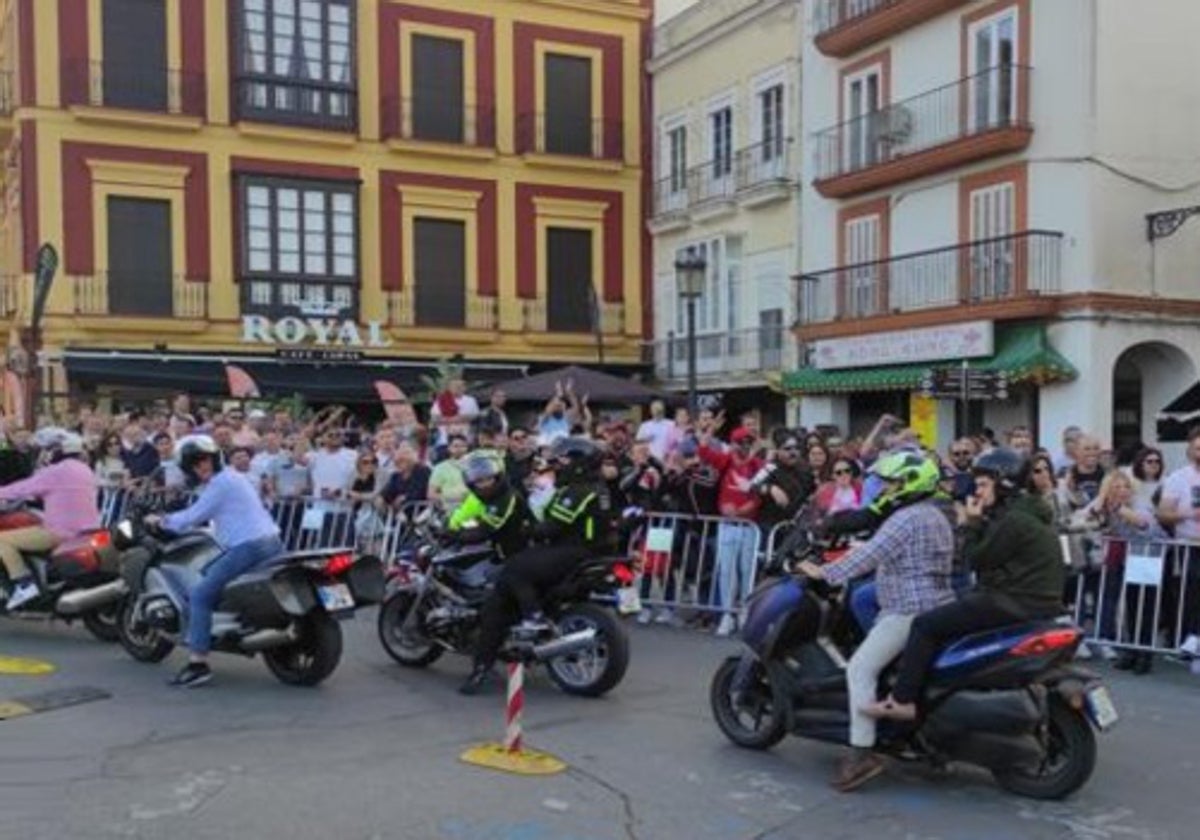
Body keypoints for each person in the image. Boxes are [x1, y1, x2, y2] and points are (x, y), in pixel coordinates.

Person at [868, 448, 1066, 721]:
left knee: (925, 625)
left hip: (1013, 600)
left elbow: (977, 560)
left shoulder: (1014, 521)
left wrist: (971, 524)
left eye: (984, 484)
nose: (977, 491)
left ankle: (903, 699)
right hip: (1029, 599)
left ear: (1004, 484)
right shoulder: (1022, 513)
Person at [797, 452, 954, 792]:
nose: (887, 488)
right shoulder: (935, 514)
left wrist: (824, 573)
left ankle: (861, 753)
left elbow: (868, 558)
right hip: (937, 603)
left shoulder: (906, 518)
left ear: (911, 483)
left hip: (907, 609)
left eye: (894, 482)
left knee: (860, 669)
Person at [460, 437, 612, 695]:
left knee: (511, 574)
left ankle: (530, 621)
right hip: (588, 553)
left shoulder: (578, 492)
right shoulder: (598, 488)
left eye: (562, 460)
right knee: (519, 573)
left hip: (571, 552)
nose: (557, 464)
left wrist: (527, 529)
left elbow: (551, 527)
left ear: (578, 463)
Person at [151, 436, 284, 688]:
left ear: (215, 459)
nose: (202, 466)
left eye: (205, 460)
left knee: (200, 594)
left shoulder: (220, 484)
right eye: (197, 463)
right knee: (213, 573)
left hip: (250, 546)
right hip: (271, 541)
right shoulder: (234, 478)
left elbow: (194, 515)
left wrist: (161, 521)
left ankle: (197, 663)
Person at [0, 429, 101, 609]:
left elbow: (24, 488)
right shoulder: (84, 469)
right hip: (88, 530)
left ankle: (24, 584)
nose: (42, 454)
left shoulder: (55, 472)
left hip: (60, 532)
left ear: (54, 451)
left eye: (44, 450)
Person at [699, 426, 764, 636]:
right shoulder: (726, 460)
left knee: (747, 571)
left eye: (748, 442)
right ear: (733, 444)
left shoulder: (758, 465)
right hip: (727, 525)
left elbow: (760, 492)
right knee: (726, 571)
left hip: (748, 526)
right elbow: (704, 453)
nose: (744, 446)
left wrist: (747, 509)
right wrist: (707, 435)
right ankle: (727, 614)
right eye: (740, 442)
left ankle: (745, 611)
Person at [1156, 427, 1200, 660]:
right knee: (1192, 592)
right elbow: (1163, 514)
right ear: (1189, 450)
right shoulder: (1178, 478)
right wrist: (1189, 514)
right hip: (1190, 545)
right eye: (1197, 448)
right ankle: (1189, 639)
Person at [428, 434, 470, 514]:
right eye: (456, 446)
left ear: (467, 448)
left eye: (463, 446)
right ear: (449, 448)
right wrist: (452, 498)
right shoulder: (440, 468)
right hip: (448, 510)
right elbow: (431, 494)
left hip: (471, 507)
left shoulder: (473, 465)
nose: (459, 449)